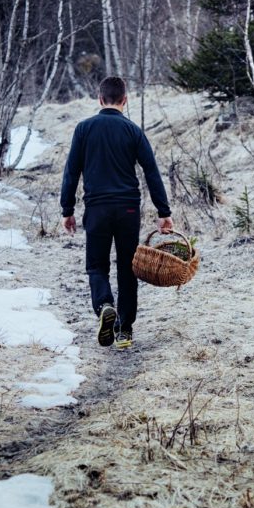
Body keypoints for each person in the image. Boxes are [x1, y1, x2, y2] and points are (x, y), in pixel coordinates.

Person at [60, 76, 173, 349]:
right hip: (128, 208)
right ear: (125, 100)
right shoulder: (133, 130)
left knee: (97, 265)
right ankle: (124, 330)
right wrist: (163, 211)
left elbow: (71, 171)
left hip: (97, 208)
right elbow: (151, 171)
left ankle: (104, 305)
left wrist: (67, 209)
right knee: (127, 267)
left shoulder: (84, 129)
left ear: (100, 99)